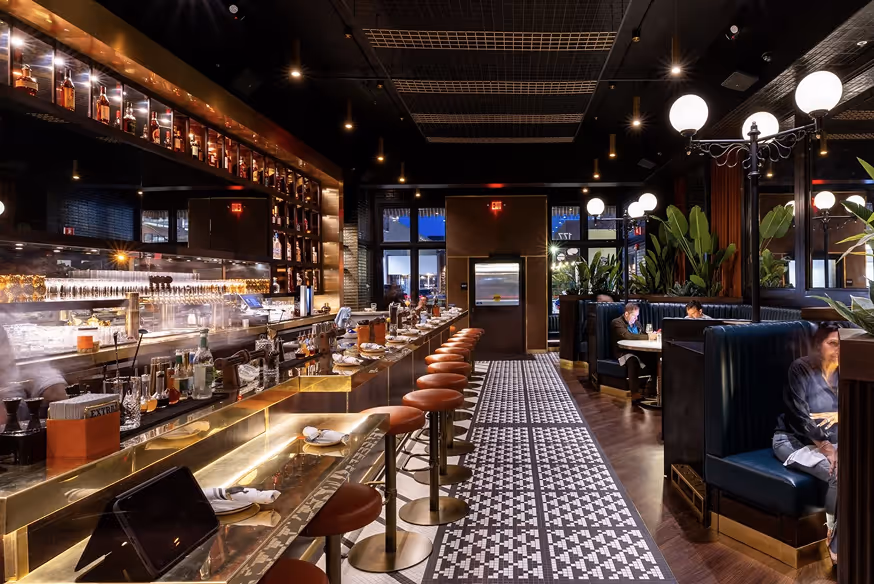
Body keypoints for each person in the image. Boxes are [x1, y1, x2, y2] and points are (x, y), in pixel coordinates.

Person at [773, 324, 840, 563]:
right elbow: (800, 416)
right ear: (818, 346)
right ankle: (834, 539)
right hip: (793, 440)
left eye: (842, 344)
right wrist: (827, 448)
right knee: (842, 474)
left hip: (832, 441)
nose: (838, 349)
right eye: (832, 343)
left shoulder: (844, 372)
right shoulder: (800, 369)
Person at [0, 323, 68, 425]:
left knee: (56, 391)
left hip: (12, 390)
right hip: (8, 398)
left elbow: (8, 363)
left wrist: (51, 383)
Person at [610, 303, 657, 395]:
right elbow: (628, 336)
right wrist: (648, 337)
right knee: (632, 360)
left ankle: (652, 388)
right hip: (623, 352)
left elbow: (643, 334)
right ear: (626, 314)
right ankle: (635, 394)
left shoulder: (637, 323)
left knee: (655, 358)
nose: (636, 319)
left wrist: (652, 335)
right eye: (634, 316)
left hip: (637, 350)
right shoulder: (617, 322)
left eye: (637, 316)